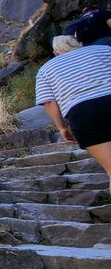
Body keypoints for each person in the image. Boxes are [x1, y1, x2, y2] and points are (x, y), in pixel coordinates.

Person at [36, 35, 111, 192]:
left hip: (83, 113)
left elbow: (49, 102)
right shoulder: (104, 50)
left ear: (56, 52)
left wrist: (62, 128)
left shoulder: (46, 69)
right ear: (79, 44)